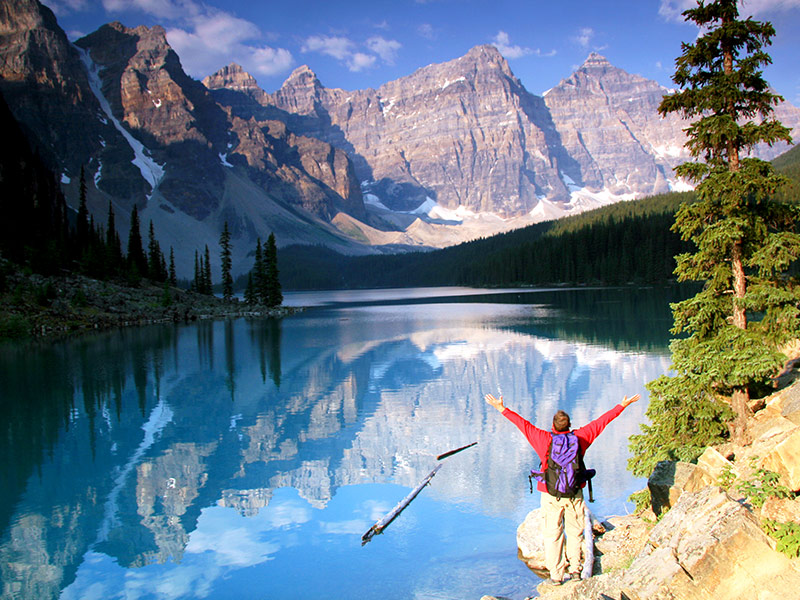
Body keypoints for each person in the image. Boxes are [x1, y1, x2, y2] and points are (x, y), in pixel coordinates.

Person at [485, 392, 641, 585]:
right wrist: (622, 405)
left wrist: (501, 408)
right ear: (569, 425)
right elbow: (601, 423)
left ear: (553, 425)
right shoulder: (581, 438)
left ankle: (556, 576)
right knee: (575, 532)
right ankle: (576, 571)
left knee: (553, 534)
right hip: (574, 493)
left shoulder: (543, 439)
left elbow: (523, 425)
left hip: (550, 494)